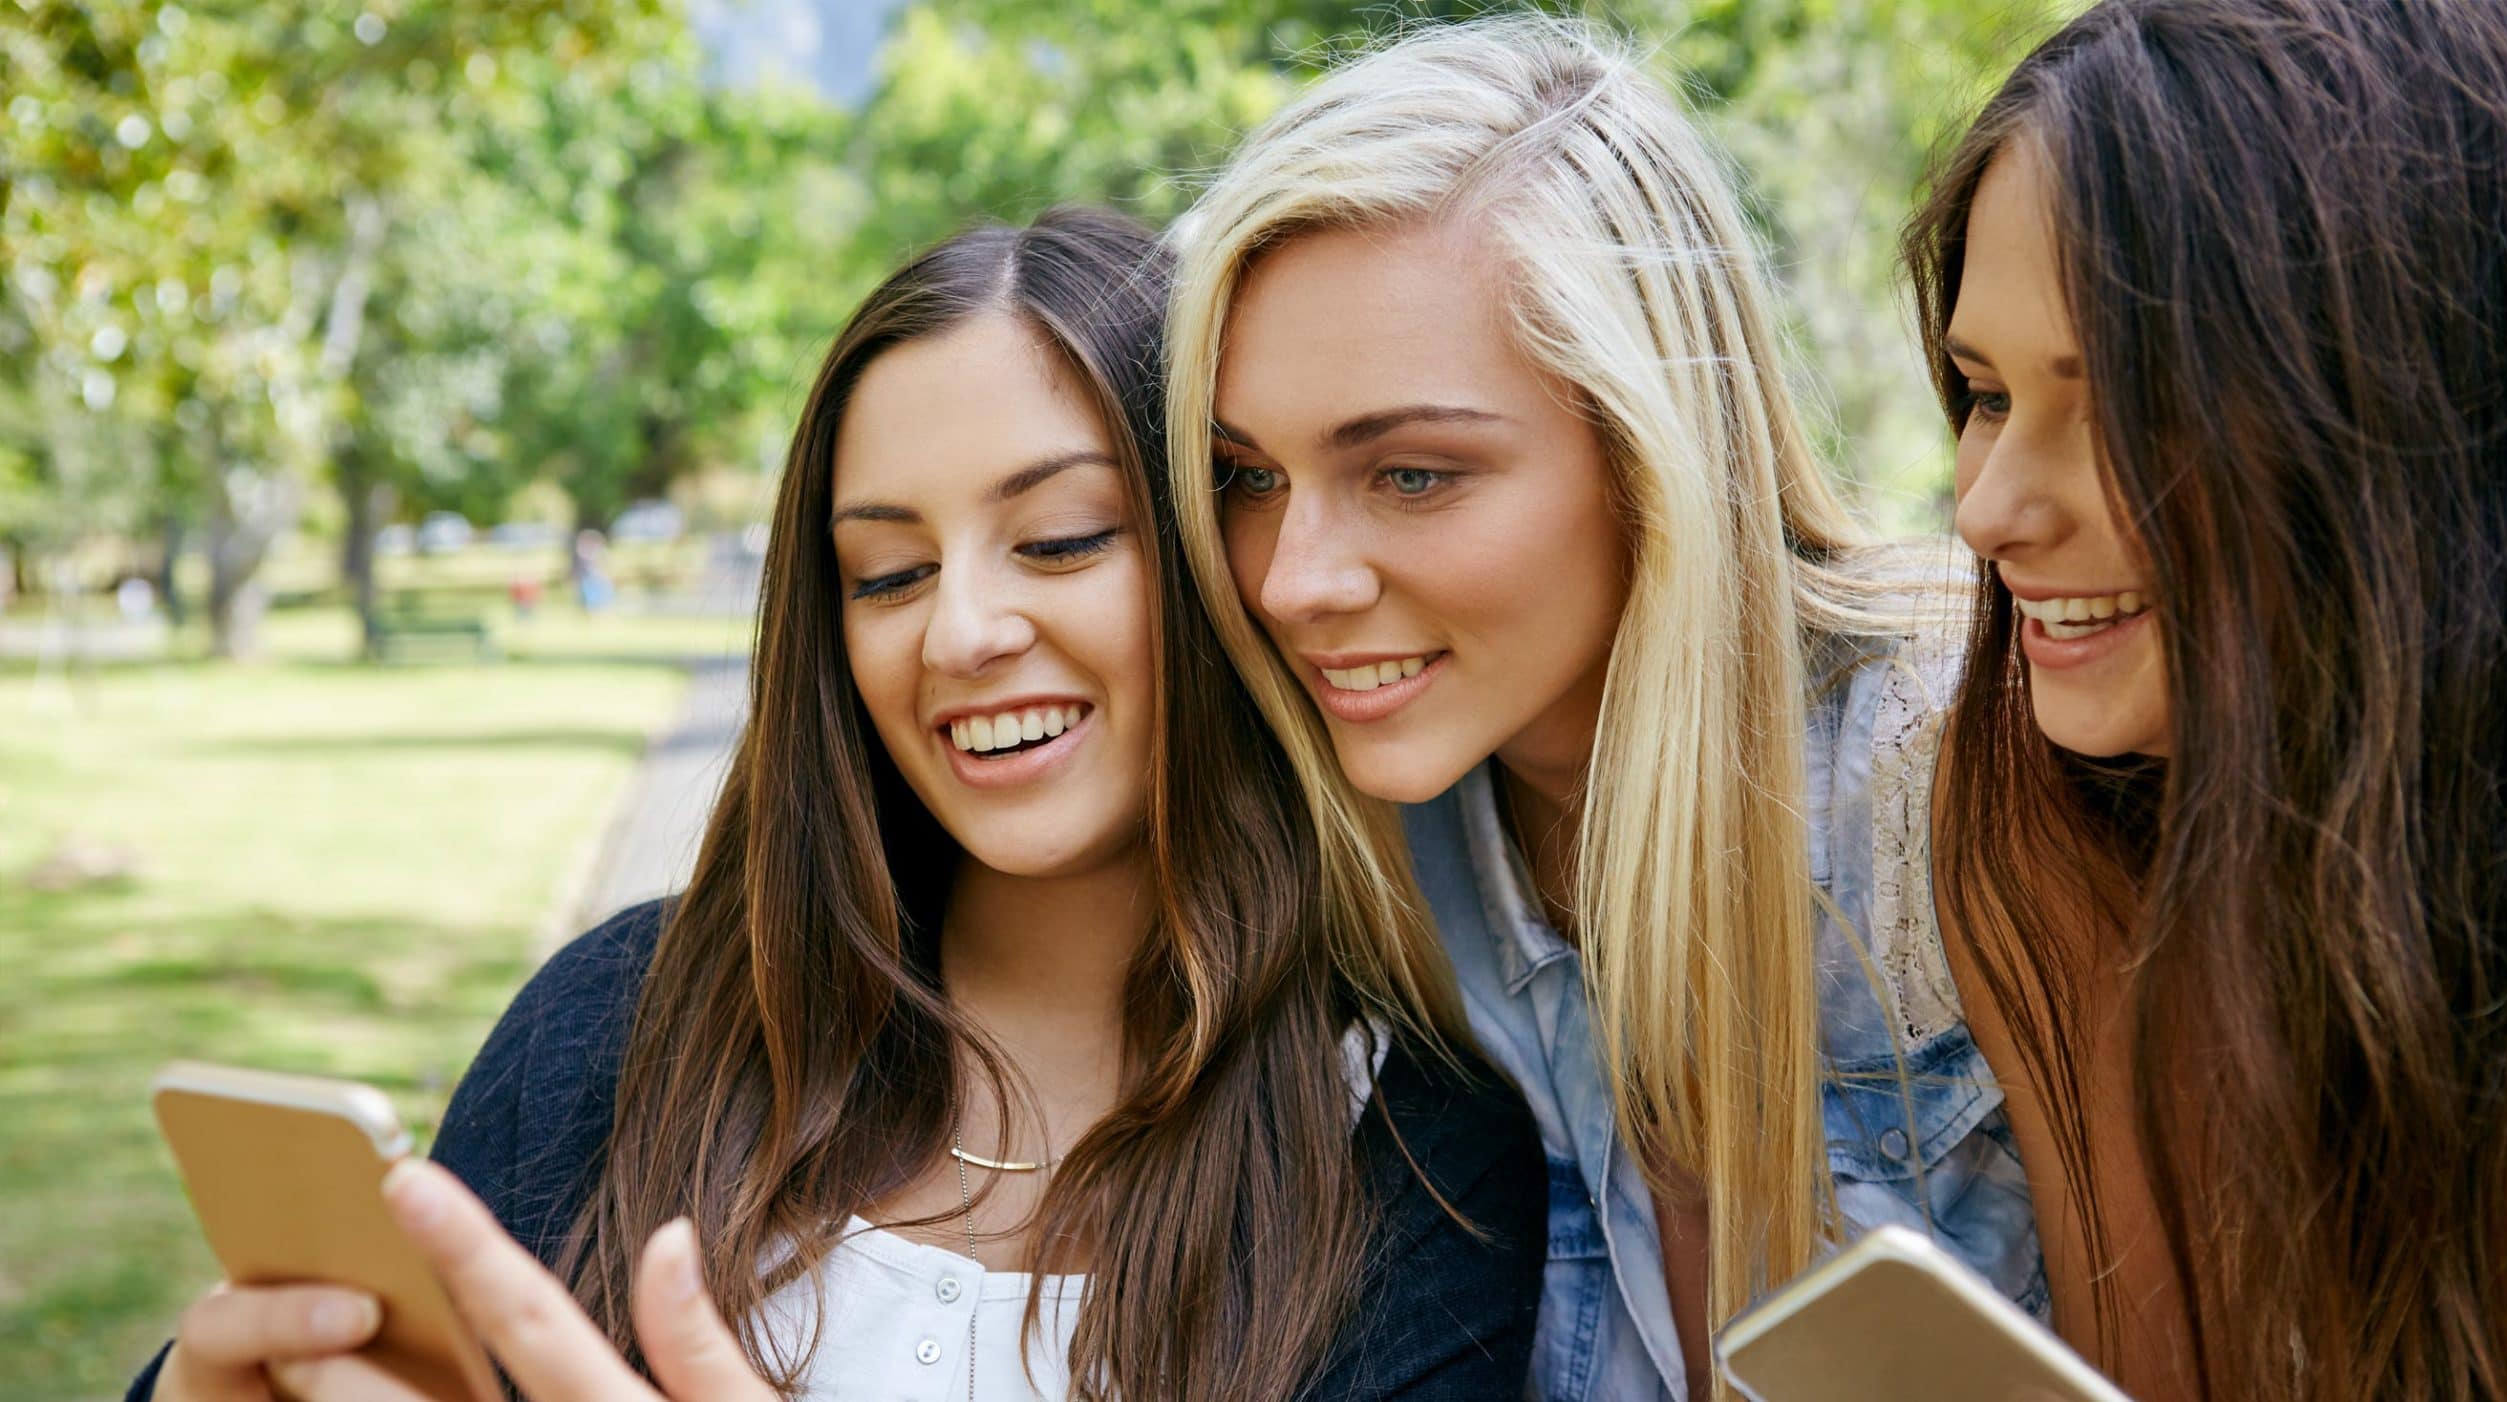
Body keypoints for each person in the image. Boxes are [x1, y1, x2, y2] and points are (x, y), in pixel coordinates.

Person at [134, 208, 1544, 1402]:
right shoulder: (619, 1028)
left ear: (1223, 555)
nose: (962, 630)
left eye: (1057, 539)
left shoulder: (1417, 1162)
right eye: (887, 572)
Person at [1163, 20, 2007, 1400]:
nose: (1293, 581)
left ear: (1650, 450)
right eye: (1245, 476)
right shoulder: (1370, 843)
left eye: (1414, 474)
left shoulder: (1955, 773)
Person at [1904, 0, 2507, 1394]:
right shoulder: (2059, 813)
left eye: (2123, 404)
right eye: (1983, 392)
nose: (1988, 507)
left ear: (2391, 414)